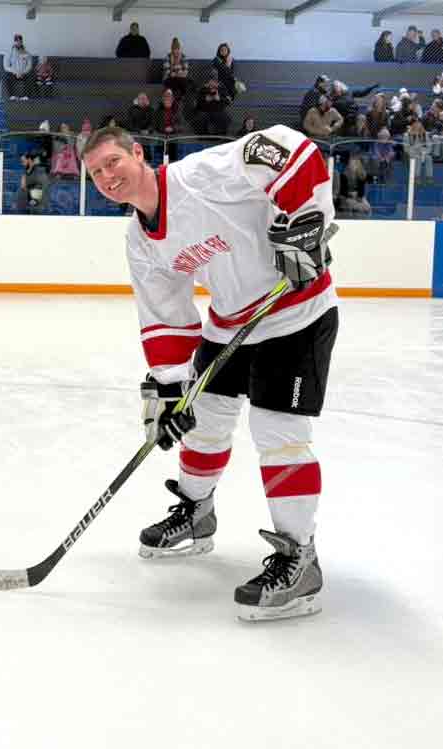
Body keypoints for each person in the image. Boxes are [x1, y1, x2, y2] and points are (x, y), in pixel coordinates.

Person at [81, 124, 338, 621]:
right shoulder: (140, 240)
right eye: (96, 173)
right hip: (230, 323)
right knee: (203, 417)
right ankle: (196, 513)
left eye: (113, 162)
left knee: (278, 430)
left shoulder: (201, 175)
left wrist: (305, 218)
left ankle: (300, 558)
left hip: (295, 309)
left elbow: (287, 147)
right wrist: (171, 390)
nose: (107, 177)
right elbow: (165, 315)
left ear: (138, 153)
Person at [3, 34, 33, 100]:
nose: (18, 42)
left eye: (20, 41)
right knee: (6, 77)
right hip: (13, 73)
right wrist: (15, 72)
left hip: (23, 73)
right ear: (14, 42)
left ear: (22, 42)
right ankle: (12, 96)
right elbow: (6, 66)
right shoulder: (9, 53)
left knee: (31, 77)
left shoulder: (27, 53)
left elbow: (29, 66)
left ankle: (25, 96)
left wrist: (22, 72)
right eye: (17, 41)